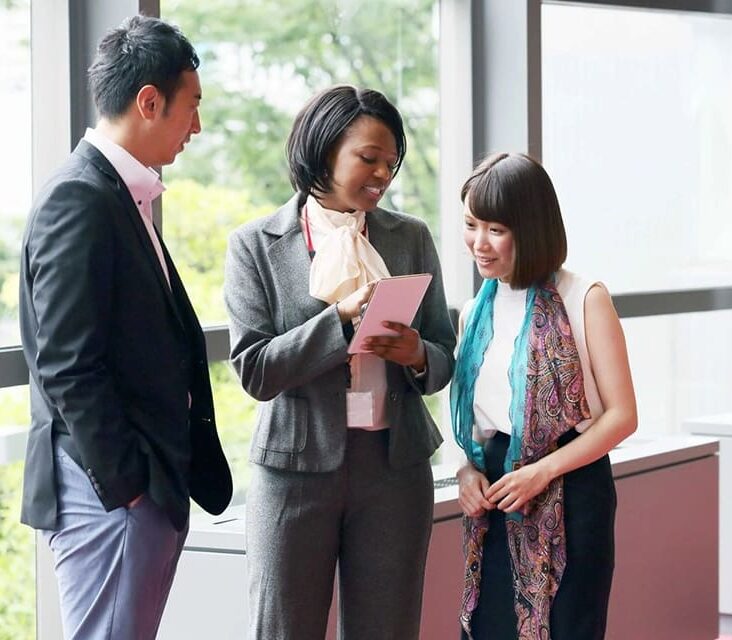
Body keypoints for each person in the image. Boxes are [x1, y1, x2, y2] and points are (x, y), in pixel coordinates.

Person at [18, 15, 232, 640]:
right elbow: (66, 364)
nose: (197, 126)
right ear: (148, 101)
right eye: (191, 107)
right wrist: (129, 485)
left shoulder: (120, 195)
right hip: (106, 492)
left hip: (137, 489)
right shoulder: (78, 198)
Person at [224, 85, 456, 640]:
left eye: (391, 164)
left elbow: (446, 355)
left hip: (394, 470)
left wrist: (417, 354)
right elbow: (255, 370)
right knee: (283, 629)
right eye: (368, 158)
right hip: (294, 473)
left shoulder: (410, 237)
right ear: (326, 150)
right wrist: (341, 322)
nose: (382, 175)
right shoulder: (255, 244)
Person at [451, 152, 638, 640]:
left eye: (496, 229)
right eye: (472, 225)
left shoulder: (584, 297)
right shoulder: (475, 312)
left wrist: (543, 471)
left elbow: (622, 416)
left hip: (572, 488)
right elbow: (477, 424)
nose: (479, 243)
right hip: (498, 493)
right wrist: (467, 471)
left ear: (530, 228)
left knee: (566, 627)